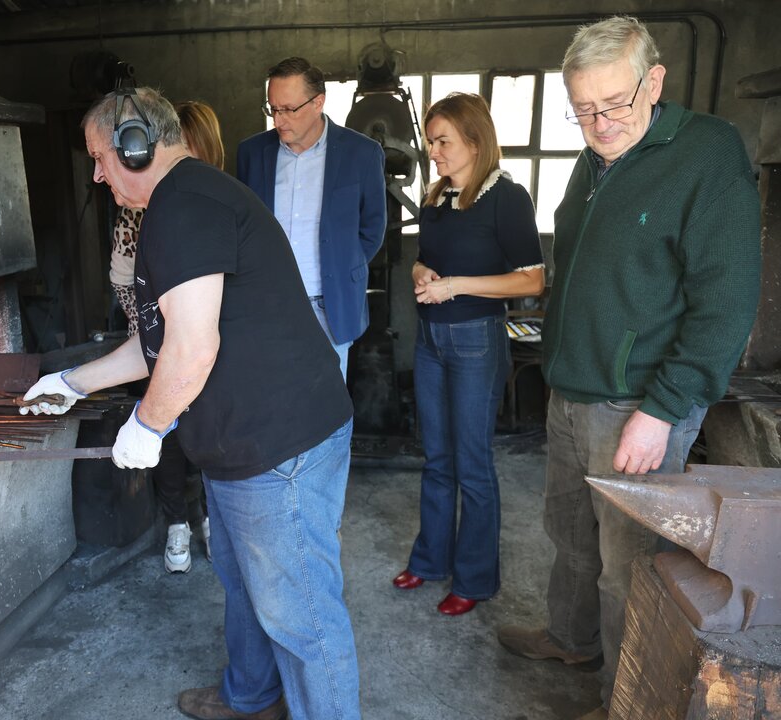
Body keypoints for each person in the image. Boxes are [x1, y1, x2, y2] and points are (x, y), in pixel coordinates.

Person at [23, 86, 361, 720]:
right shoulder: (175, 204)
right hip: (243, 445)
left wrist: (147, 424)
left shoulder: (186, 206)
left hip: (278, 444)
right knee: (244, 584)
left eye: (99, 156)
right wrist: (74, 384)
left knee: (303, 616)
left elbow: (191, 347)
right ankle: (252, 697)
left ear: (134, 144)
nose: (96, 173)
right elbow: (154, 338)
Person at [495, 16, 761, 719]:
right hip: (573, 391)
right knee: (569, 535)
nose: (600, 121)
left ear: (656, 82)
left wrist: (663, 409)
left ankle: (626, 698)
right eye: (583, 108)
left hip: (637, 405)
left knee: (627, 566)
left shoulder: (706, 154)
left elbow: (726, 304)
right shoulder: (595, 158)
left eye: (614, 103)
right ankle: (570, 639)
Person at [392, 93, 544, 616]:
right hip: (431, 340)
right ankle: (430, 559)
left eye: (443, 142)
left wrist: (455, 286)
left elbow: (532, 278)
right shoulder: (437, 196)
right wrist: (422, 274)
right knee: (435, 458)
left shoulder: (508, 198)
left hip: (477, 339)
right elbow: (421, 261)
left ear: (475, 142)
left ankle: (475, 579)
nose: (433, 151)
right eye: (431, 141)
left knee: (472, 463)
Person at [108, 100, 225, 573]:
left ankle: (214, 519)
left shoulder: (216, 202)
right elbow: (121, 276)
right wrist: (152, 332)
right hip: (153, 341)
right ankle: (178, 523)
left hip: (206, 346)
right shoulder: (137, 210)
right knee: (170, 440)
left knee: (211, 434)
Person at [237, 56, 387, 378]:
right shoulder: (252, 154)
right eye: (273, 109)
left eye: (289, 109)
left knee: (328, 413)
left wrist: (343, 265)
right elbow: (243, 228)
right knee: (273, 405)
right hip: (268, 304)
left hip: (328, 306)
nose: (279, 120)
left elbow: (372, 228)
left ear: (318, 102)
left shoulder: (362, 153)